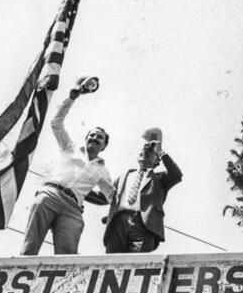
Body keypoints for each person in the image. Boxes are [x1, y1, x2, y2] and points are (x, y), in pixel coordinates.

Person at [20, 75, 115, 256]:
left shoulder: (102, 170)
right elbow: (56, 123)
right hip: (50, 194)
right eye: (92, 135)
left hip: (73, 208)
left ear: (104, 146)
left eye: (99, 138)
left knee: (67, 256)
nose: (95, 138)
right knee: (29, 247)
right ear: (86, 138)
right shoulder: (69, 148)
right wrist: (72, 97)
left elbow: (110, 196)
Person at [103, 127, 183, 253]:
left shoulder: (159, 178)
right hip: (117, 223)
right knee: (112, 264)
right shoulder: (124, 176)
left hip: (142, 225)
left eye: (150, 150)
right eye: (142, 149)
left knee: (137, 264)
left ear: (157, 160)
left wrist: (160, 151)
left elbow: (176, 175)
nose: (144, 150)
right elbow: (107, 197)